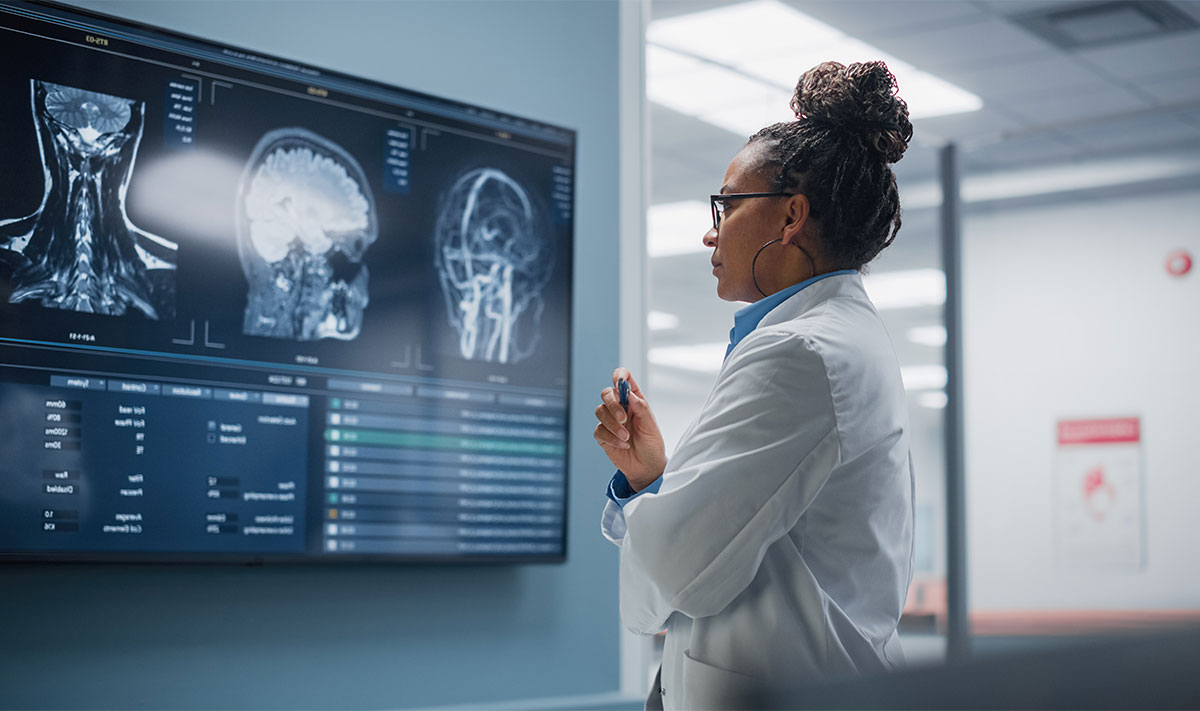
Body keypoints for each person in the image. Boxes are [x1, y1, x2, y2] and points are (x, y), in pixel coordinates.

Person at [594, 60, 916, 710]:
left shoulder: (802, 351)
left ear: (790, 215)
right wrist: (654, 479)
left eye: (727, 204)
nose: (711, 231)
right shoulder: (834, 336)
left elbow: (675, 571)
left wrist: (649, 502)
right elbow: (742, 539)